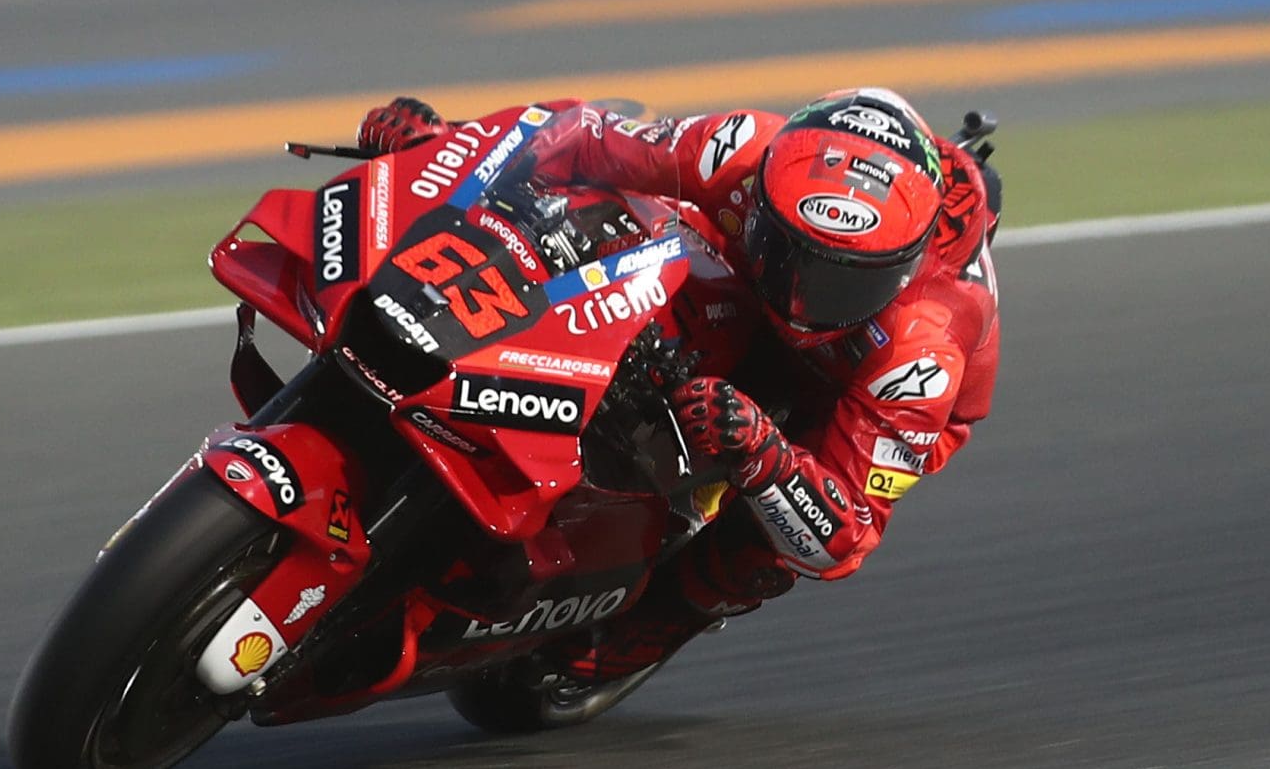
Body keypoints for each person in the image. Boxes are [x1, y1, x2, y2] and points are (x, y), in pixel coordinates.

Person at [353, 87, 1002, 694]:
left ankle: (662, 617)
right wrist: (451, 145)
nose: (802, 298)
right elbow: (584, 136)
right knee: (608, 221)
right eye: (791, 254)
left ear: (901, 270)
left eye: (841, 282)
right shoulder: (741, 147)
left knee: (761, 546)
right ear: (765, 194)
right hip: (733, 277)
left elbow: (844, 536)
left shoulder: (926, 346)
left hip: (842, 391)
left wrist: (764, 454)